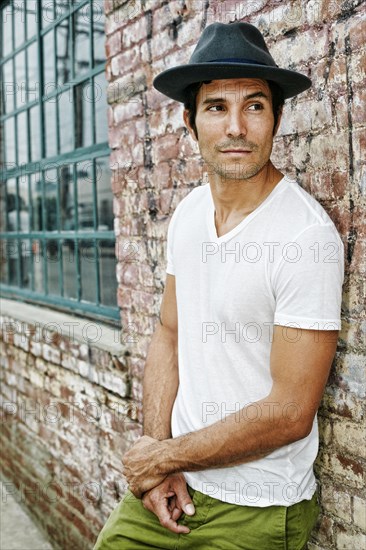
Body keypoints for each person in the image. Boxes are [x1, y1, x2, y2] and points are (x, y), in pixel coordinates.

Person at [94, 22, 344, 550]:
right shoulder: (187, 217)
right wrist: (161, 456)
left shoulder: (305, 237)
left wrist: (162, 456)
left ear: (275, 118)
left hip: (258, 507)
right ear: (190, 122)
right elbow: (168, 331)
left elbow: (291, 412)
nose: (236, 127)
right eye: (216, 108)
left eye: (254, 106)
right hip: (177, 481)